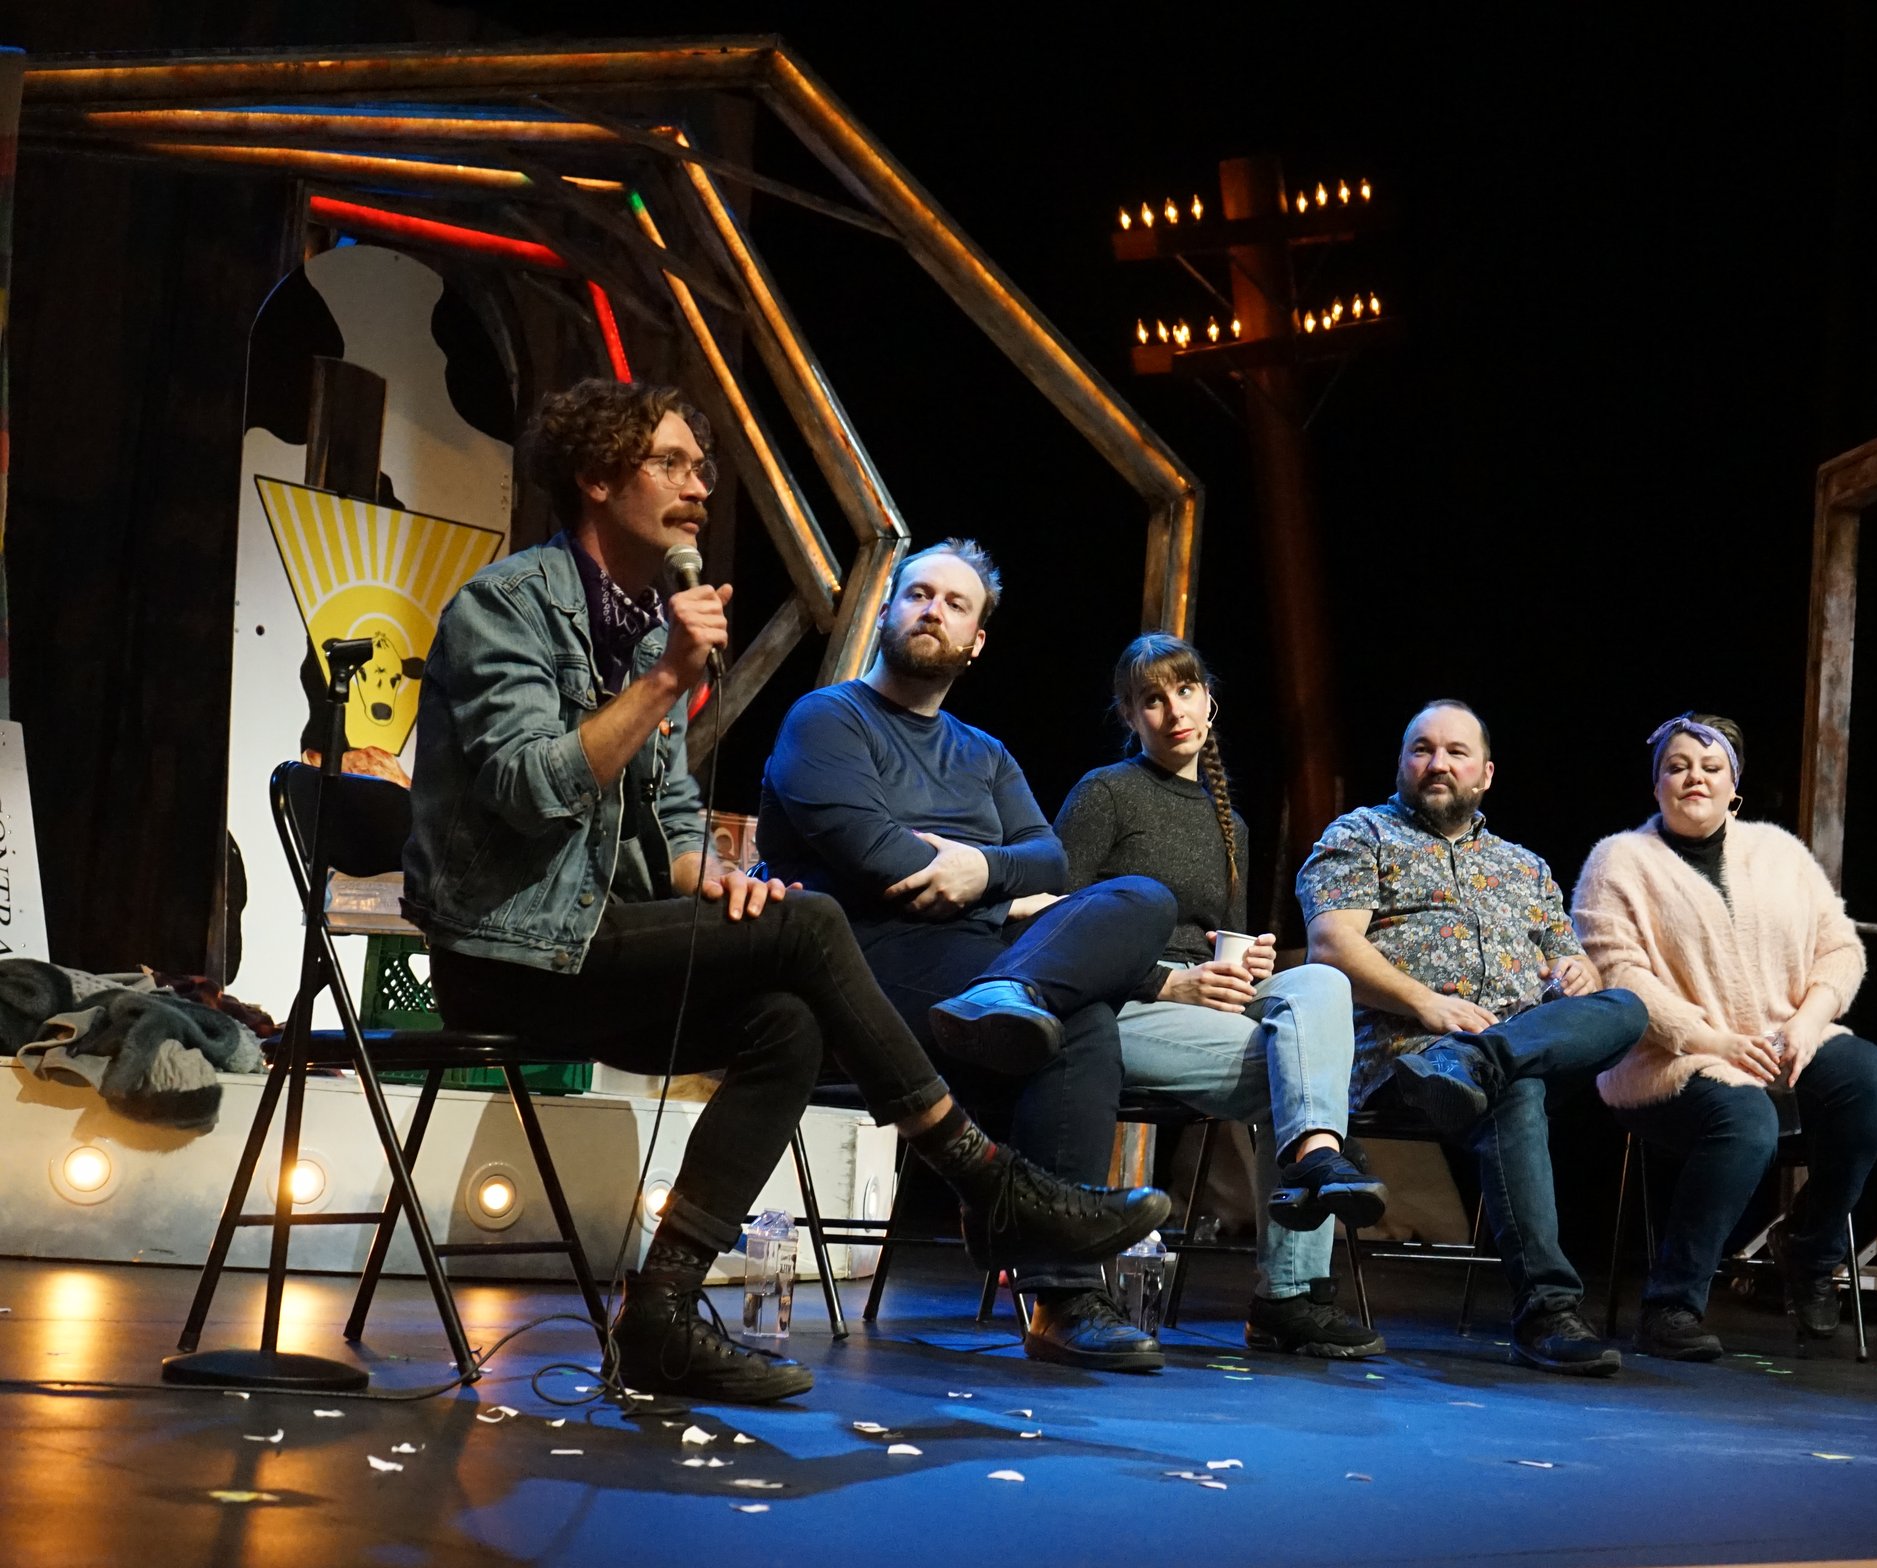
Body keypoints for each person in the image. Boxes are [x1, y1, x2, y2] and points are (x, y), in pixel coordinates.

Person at [403, 380, 1167, 1405]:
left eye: (701, 468)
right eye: (671, 464)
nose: (699, 488)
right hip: (509, 952)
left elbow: (669, 817)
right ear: (596, 477)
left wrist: (712, 878)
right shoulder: (507, 606)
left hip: (601, 938)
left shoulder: (645, 634)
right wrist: (667, 682)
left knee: (787, 1019)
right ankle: (987, 1180)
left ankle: (660, 1313)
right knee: (809, 919)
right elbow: (526, 787)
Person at [755, 541, 1185, 1373]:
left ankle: (1010, 998)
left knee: (1141, 898)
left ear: (977, 640)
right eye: (918, 593)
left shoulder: (984, 753)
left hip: (977, 966)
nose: (933, 610)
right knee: (1082, 1018)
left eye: (956, 604)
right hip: (860, 965)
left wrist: (977, 871)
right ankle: (1063, 1294)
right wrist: (994, 882)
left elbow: (1050, 860)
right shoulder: (828, 719)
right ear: (887, 612)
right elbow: (874, 854)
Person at [1036, 634, 1387, 1359]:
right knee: (1297, 1074)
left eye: (1185, 691)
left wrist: (1248, 964)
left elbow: (1219, 942)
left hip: (1202, 1008)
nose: (1174, 712)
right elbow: (1054, 928)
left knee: (1321, 981)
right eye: (1152, 699)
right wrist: (1168, 981)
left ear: (1209, 700)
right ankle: (1291, 1295)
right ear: (1129, 715)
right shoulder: (1105, 793)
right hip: (1116, 1008)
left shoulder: (1231, 823)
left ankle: (1316, 1156)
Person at [1299, 700, 1647, 1375]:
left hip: (1505, 1045)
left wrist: (1578, 970)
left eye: (1456, 752)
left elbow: (1567, 960)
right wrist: (1428, 1004)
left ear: (1485, 774)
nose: (1438, 763)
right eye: (1422, 749)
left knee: (1625, 1006)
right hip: (1406, 1060)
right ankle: (1547, 1311)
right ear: (1402, 764)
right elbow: (1331, 946)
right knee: (1516, 1090)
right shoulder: (1362, 834)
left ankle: (1480, 1060)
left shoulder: (1526, 867)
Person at [1571, 713, 1877, 1360]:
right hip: (1669, 1059)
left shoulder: (1779, 852)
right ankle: (1671, 1304)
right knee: (1747, 1119)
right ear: (1657, 784)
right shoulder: (1620, 860)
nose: (1694, 777)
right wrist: (1709, 1041)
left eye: (1710, 766)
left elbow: (1840, 948)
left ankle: (1811, 1249)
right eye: (1677, 766)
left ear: (1733, 785)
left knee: (1867, 1078)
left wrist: (1807, 1022)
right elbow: (1618, 973)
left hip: (1780, 1040)